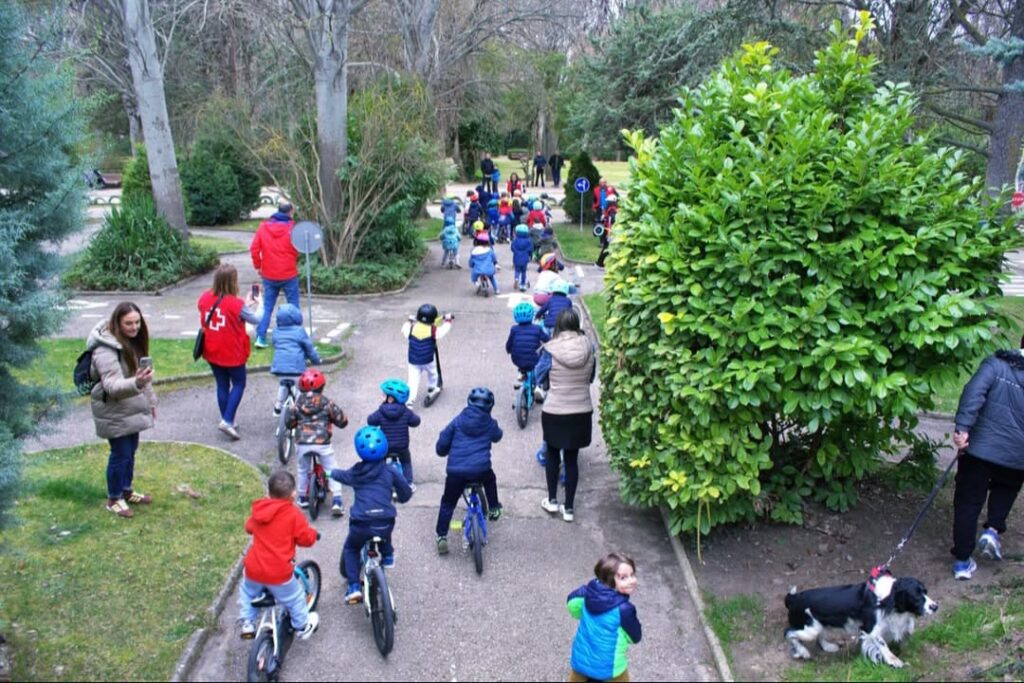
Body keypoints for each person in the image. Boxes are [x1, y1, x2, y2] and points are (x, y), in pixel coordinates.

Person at [950, 337, 1024, 580]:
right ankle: (992, 530)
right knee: (1006, 489)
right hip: (1016, 456)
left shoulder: (995, 365)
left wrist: (962, 429)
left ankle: (962, 562)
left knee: (968, 502)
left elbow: (973, 393)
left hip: (978, 450)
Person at [88, 302, 158, 518]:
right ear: (117, 323)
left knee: (131, 450)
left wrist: (151, 402)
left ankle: (126, 490)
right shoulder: (105, 348)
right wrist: (137, 383)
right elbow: (111, 385)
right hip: (113, 410)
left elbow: (142, 379)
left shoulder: (131, 342)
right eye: (129, 323)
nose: (134, 327)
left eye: (137, 322)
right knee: (120, 453)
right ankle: (114, 498)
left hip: (130, 408)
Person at [330, 426, 413, 603]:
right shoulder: (391, 470)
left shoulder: (356, 472)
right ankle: (388, 555)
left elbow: (342, 476)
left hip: (361, 521)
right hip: (385, 521)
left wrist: (331, 472)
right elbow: (405, 492)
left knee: (351, 548)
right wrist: (402, 497)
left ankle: (353, 588)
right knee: (384, 528)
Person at [237, 470, 320, 640]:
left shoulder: (259, 510)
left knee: (247, 592)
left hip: (253, 568)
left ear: (269, 493)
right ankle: (302, 626)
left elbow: (248, 528)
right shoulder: (292, 514)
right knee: (295, 598)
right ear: (293, 494)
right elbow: (305, 538)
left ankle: (248, 623)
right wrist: (313, 535)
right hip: (278, 572)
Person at [540, 309, 596, 523]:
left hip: (555, 410)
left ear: (559, 326)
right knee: (571, 459)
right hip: (580, 410)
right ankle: (569, 508)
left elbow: (539, 375)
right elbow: (590, 377)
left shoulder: (550, 349)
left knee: (552, 455)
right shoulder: (588, 347)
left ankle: (552, 500)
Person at [434, 388, 503, 555]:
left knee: (448, 503)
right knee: (490, 479)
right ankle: (494, 508)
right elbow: (498, 436)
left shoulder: (458, 421)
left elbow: (442, 443)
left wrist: (442, 451)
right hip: (481, 470)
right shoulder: (489, 423)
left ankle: (442, 536)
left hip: (456, 473)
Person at [198, 264, 262, 440]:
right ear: (233, 281)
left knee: (222, 384)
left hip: (212, 349)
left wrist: (244, 306)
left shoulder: (204, 297)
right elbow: (256, 319)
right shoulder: (236, 303)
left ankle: (228, 419)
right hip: (232, 351)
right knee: (239, 383)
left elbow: (212, 309)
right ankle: (227, 420)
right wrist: (259, 303)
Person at [566, 553, 642, 682]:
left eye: (632, 574)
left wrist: (583, 615)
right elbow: (635, 637)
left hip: (581, 662)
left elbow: (571, 604)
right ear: (609, 580)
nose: (632, 580)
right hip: (609, 669)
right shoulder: (624, 610)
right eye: (624, 577)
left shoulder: (586, 593)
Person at [286, 368, 348, 516]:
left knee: (302, 469)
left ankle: (303, 497)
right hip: (322, 442)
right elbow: (342, 420)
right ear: (322, 387)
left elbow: (289, 423)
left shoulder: (298, 403)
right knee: (332, 469)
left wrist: (295, 422)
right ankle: (337, 500)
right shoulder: (327, 403)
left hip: (302, 443)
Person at [249, 201, 299, 349]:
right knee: (293, 306)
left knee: (268, 306)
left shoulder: (264, 227)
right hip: (289, 273)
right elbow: (299, 248)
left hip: (269, 274)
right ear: (290, 212)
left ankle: (261, 337)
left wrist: (258, 266)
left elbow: (254, 248)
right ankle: (295, 338)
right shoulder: (293, 228)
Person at [367, 379, 422, 489]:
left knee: (380, 461)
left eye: (385, 395)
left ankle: (379, 482)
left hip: (385, 446)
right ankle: (408, 483)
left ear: (391, 399)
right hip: (402, 447)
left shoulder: (381, 411)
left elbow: (370, 421)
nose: (383, 397)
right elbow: (416, 421)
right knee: (406, 461)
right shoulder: (405, 411)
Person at [271, 304, 321, 415]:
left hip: (279, 368)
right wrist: (316, 360)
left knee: (283, 383)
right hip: (296, 368)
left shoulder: (276, 331)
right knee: (299, 389)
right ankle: (301, 409)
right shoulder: (299, 331)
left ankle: (278, 406)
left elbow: (274, 344)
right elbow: (309, 348)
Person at [402, 304, 454, 406]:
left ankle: (409, 401)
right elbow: (443, 331)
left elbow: (404, 328)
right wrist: (448, 321)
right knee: (433, 374)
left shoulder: (412, 328)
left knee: (413, 380)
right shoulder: (433, 330)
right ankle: (432, 388)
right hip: (428, 360)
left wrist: (409, 321)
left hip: (413, 360)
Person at [506, 302, 549, 388]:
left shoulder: (514, 329)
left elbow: (509, 344)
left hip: (517, 359)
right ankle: (538, 385)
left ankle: (522, 373)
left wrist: (508, 350)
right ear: (531, 316)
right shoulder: (537, 328)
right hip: (534, 358)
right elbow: (547, 339)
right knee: (542, 359)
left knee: (522, 359)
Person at [595, 194, 618, 269]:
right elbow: (609, 221)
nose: (607, 203)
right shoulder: (611, 210)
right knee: (606, 248)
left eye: (608, 201)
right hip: (608, 232)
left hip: (608, 232)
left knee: (607, 248)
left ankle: (601, 263)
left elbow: (608, 221)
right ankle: (600, 264)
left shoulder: (610, 210)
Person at [511, 225, 534, 291]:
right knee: (523, 272)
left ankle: (516, 278)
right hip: (525, 257)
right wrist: (529, 255)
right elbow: (530, 249)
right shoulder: (528, 241)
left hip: (516, 257)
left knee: (517, 270)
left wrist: (516, 251)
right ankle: (522, 285)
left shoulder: (515, 240)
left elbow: (512, 248)